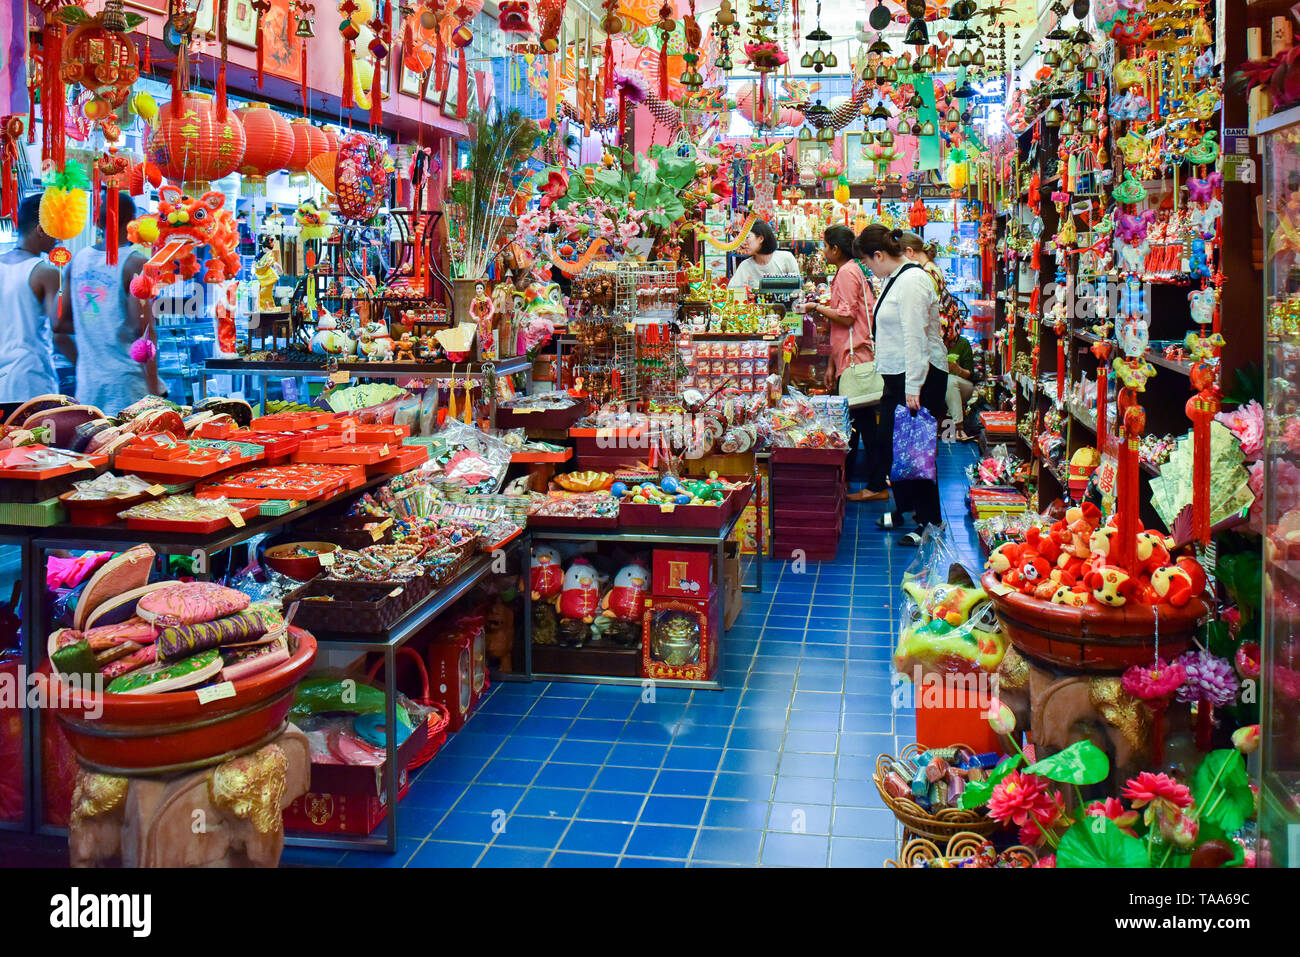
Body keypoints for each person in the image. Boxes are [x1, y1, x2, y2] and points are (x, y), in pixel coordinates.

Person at [855, 224, 947, 545]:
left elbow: (915, 337)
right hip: (900, 377)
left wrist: (913, 386)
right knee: (894, 447)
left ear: (879, 255)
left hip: (919, 377)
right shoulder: (896, 279)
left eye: (868, 261)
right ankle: (906, 508)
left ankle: (931, 520)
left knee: (917, 450)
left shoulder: (911, 281)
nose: (870, 268)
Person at [59, 191, 163, 415]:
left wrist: (87, 363)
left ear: (97, 221)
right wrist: (154, 392)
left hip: (88, 386)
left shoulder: (76, 261)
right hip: (127, 387)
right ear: (133, 223)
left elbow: (59, 327)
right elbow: (143, 331)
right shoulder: (135, 262)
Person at [805, 225, 886, 502]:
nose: (822, 251)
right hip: (847, 359)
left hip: (856, 359)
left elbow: (847, 318)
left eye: (824, 246)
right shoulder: (850, 270)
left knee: (858, 424)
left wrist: (815, 307)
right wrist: (830, 364)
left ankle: (873, 484)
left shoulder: (847, 273)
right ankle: (856, 480)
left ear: (835, 249)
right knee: (855, 424)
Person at [0, 194, 62, 403]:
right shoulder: (46, 272)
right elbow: (58, 325)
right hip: (31, 380)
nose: (59, 238)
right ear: (41, 229)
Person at [727, 219, 802, 293]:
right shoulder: (745, 266)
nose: (744, 243)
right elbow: (731, 291)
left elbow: (797, 289)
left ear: (761, 239)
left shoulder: (785, 258)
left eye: (747, 238)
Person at [944, 324, 977, 441]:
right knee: (947, 383)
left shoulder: (963, 343)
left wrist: (956, 368)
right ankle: (952, 428)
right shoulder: (934, 344)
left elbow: (970, 374)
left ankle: (958, 427)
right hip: (941, 387)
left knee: (950, 381)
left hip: (963, 385)